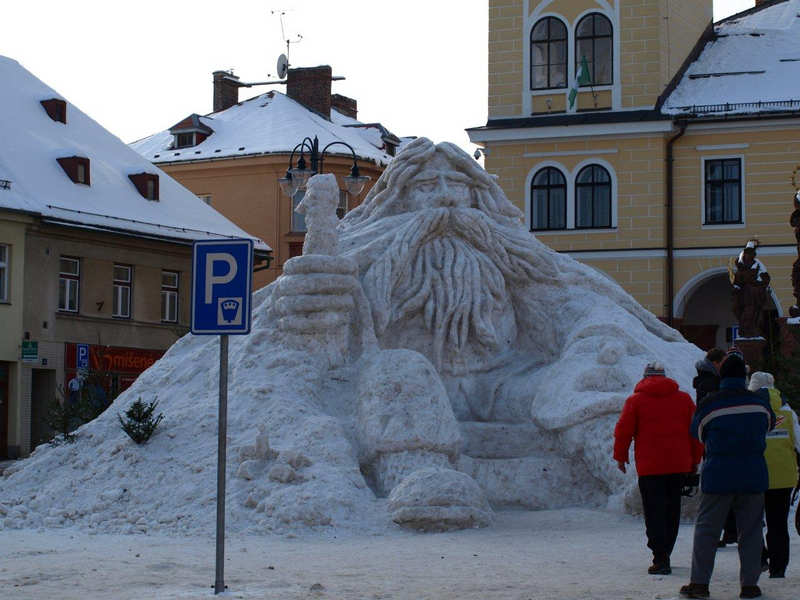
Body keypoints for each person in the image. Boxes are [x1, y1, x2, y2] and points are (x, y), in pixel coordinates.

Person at [679, 350, 776, 600]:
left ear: (721, 376)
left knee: (707, 531)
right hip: (753, 476)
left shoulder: (710, 404)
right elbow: (769, 426)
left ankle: (699, 585)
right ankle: (750, 586)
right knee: (752, 532)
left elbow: (697, 433)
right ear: (744, 376)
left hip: (718, 477)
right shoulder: (759, 404)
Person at [614, 362, 703, 575]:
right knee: (672, 510)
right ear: (665, 377)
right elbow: (695, 432)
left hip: (650, 467)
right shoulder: (684, 400)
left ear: (645, 378)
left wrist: (620, 456)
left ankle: (660, 556)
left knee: (654, 512)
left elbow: (623, 431)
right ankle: (666, 552)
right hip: (678, 465)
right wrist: (695, 459)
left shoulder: (635, 401)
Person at [748, 371, 800, 579]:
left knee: (751, 522)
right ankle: (778, 568)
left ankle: (760, 558)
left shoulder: (749, 410)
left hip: (754, 474)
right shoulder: (788, 413)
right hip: (783, 477)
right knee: (778, 524)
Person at [694, 347, 736, 546]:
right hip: (717, 441)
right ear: (717, 362)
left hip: (713, 441)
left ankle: (729, 530)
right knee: (722, 490)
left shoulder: (706, 379)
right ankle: (724, 531)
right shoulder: (711, 383)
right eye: (724, 361)